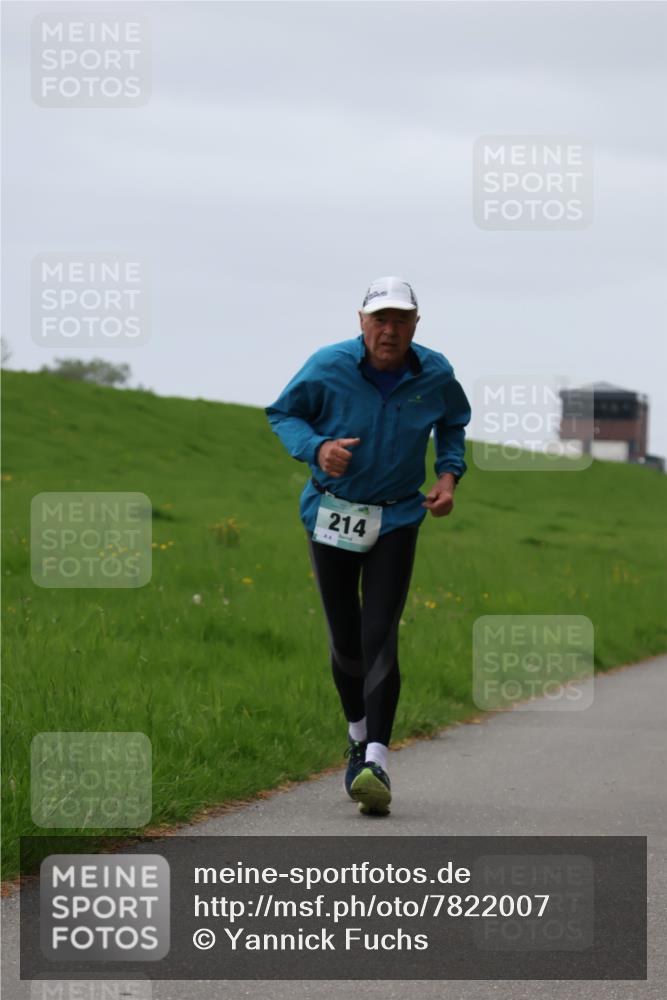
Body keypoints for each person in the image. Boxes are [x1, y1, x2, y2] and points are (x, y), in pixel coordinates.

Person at [265, 276, 471, 816]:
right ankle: (358, 737)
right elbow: (283, 413)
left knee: (379, 632)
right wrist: (317, 448)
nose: (390, 329)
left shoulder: (435, 373)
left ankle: (376, 760)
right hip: (332, 513)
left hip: (398, 516)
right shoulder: (328, 366)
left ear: (415, 326)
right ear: (361, 322)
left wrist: (449, 477)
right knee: (346, 640)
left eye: (401, 319)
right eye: (380, 319)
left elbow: (453, 422)